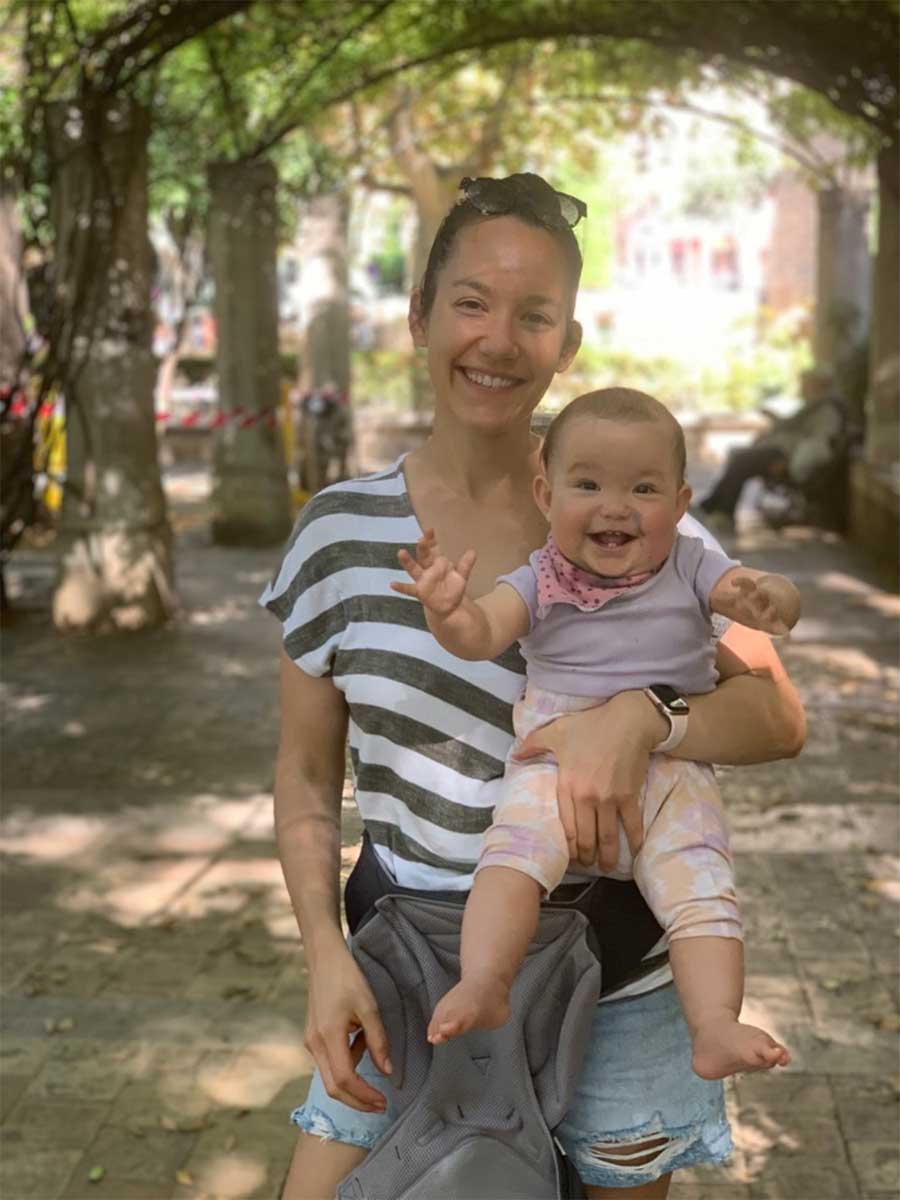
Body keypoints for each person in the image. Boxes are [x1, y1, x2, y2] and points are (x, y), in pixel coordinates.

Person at [261, 173, 806, 1199]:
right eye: (471, 302)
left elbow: (779, 717)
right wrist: (323, 955)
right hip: (410, 964)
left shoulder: (635, 516)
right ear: (420, 317)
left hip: (621, 971)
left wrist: (644, 718)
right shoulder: (339, 532)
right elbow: (301, 775)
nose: (499, 340)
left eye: (535, 314)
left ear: (569, 342)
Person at [392, 386, 799, 1082]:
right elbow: (482, 631)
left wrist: (772, 597)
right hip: (553, 754)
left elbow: (751, 599)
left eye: (642, 488)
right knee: (512, 858)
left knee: (703, 893)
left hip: (673, 769)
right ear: (546, 495)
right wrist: (446, 612)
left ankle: (713, 1024)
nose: (615, 505)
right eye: (588, 484)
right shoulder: (541, 576)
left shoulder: (691, 563)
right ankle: (487, 980)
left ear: (679, 503)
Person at [697, 366, 846, 532]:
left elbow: (818, 445)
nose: (802, 388)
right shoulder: (814, 407)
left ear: (817, 385)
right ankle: (715, 506)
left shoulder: (827, 410)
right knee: (739, 455)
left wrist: (790, 464)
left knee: (741, 459)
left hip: (788, 458)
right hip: (783, 452)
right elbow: (791, 428)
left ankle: (718, 509)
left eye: (805, 384)